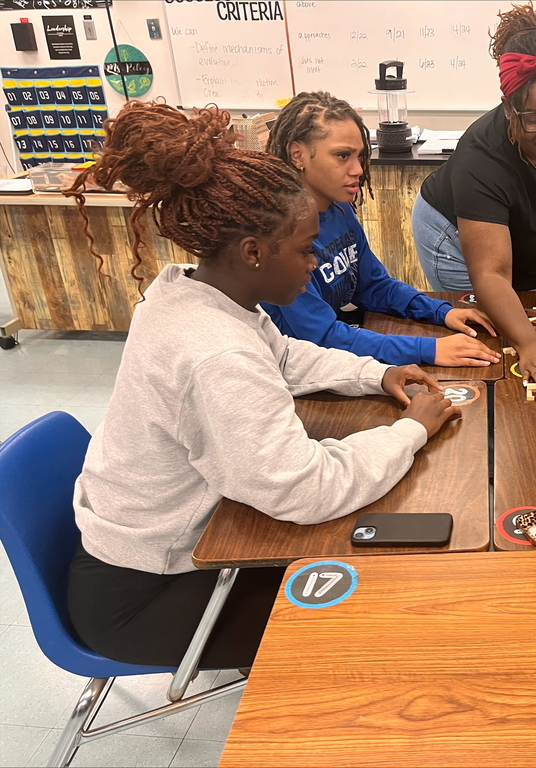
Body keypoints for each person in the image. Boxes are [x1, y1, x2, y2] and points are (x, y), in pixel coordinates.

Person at [62, 102, 460, 669]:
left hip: (166, 550)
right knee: (386, 614)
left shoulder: (195, 291)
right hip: (147, 591)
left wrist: (377, 373)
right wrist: (410, 431)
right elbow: (308, 489)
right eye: (304, 250)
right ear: (253, 252)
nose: (313, 264)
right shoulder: (215, 353)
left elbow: (285, 356)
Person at [412, 4, 536, 392]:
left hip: (532, 236)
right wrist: (528, 346)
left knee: (531, 319)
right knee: (491, 345)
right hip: (454, 237)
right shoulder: (480, 159)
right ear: (509, 108)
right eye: (533, 118)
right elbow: (490, 274)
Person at [263, 91, 501, 369]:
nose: (357, 169)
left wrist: (441, 312)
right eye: (342, 156)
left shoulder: (341, 210)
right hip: (290, 369)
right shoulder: (278, 237)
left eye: (359, 156)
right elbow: (321, 338)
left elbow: (374, 286)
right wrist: (427, 348)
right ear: (297, 154)